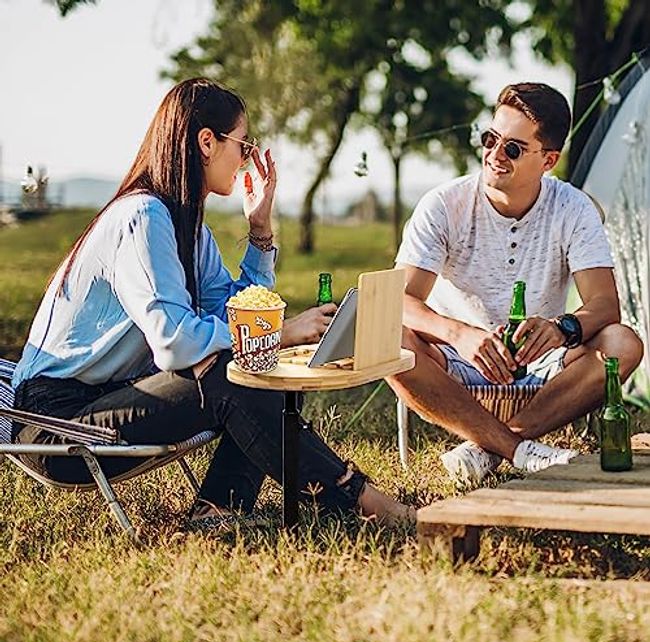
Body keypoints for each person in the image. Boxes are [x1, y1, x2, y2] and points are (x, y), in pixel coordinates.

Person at [11, 78, 413, 529]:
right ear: (207, 141)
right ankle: (356, 498)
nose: (247, 159)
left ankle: (220, 508)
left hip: (110, 398)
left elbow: (235, 313)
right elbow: (174, 345)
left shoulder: (187, 226)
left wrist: (259, 229)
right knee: (231, 372)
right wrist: (279, 333)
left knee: (260, 365)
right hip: (57, 425)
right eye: (244, 145)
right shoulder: (143, 217)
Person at [389, 82, 644, 484]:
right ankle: (518, 450)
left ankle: (486, 450)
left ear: (548, 160)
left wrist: (563, 328)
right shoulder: (443, 204)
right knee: (389, 339)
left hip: (540, 365)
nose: (493, 155)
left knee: (623, 343)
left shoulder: (573, 208)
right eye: (490, 139)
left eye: (512, 148)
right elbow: (396, 301)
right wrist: (459, 334)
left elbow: (605, 306)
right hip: (456, 362)